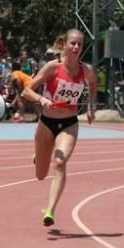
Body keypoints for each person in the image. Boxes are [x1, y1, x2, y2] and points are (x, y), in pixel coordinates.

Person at [22, 30, 97, 226]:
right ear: (64, 44)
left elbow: (93, 83)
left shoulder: (86, 70)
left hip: (70, 123)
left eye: (80, 44)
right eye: (73, 43)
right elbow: (26, 90)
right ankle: (39, 156)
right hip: (47, 122)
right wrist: (42, 99)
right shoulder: (52, 68)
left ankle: (50, 210)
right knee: (40, 175)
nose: (76, 48)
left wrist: (90, 107)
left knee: (60, 163)